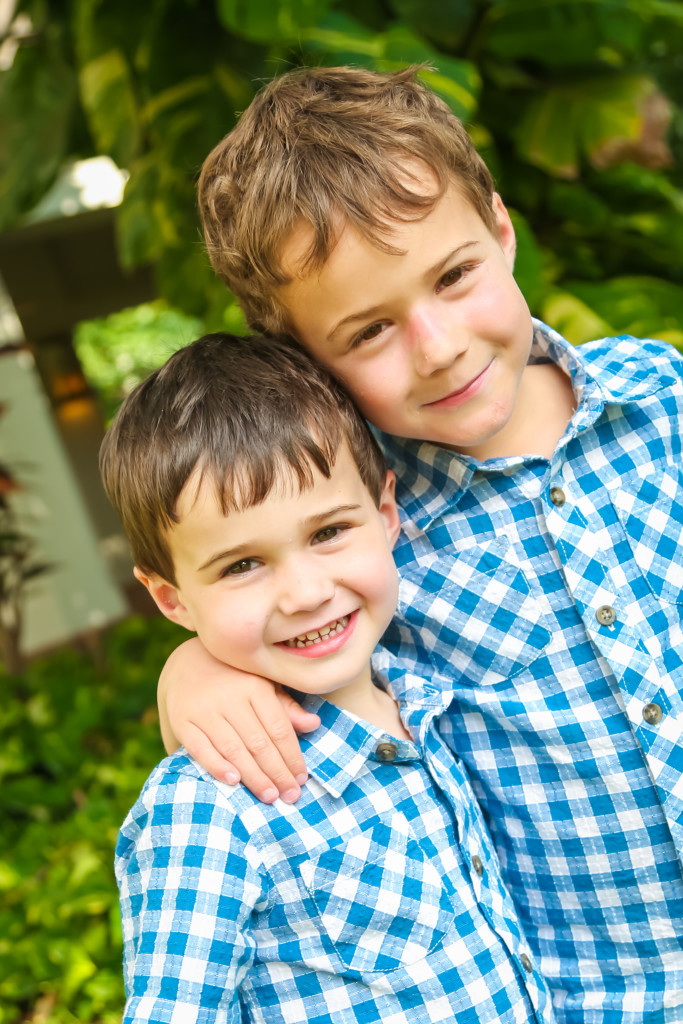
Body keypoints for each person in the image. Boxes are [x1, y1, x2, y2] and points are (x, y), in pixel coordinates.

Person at [159, 66, 683, 1024]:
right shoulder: (361, 539)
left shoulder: (664, 402)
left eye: (453, 275)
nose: (437, 345)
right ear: (301, 361)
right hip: (604, 1000)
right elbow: (270, 636)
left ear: (499, 227)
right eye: (368, 331)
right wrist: (191, 671)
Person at [100, 331, 555, 1024]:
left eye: (327, 533)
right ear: (171, 599)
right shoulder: (212, 807)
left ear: (385, 513)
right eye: (242, 565)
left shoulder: (431, 705)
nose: (306, 592)